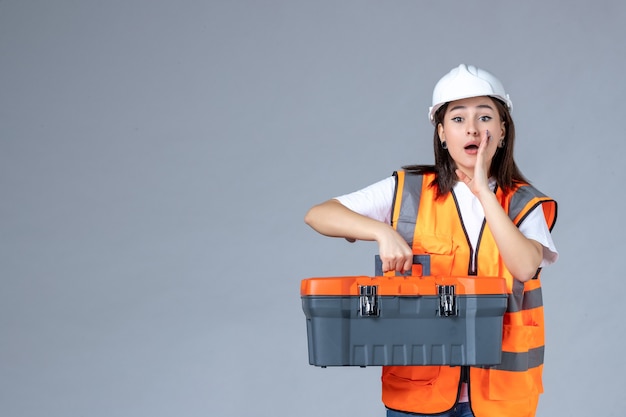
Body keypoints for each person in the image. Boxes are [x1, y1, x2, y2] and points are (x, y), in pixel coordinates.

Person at [304, 64, 558, 417]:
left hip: (501, 398)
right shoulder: (408, 191)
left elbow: (524, 265)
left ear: (502, 130)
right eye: (457, 119)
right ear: (441, 132)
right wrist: (382, 232)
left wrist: (483, 191)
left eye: (485, 117)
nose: (472, 128)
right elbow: (319, 214)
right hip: (419, 393)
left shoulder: (522, 202)